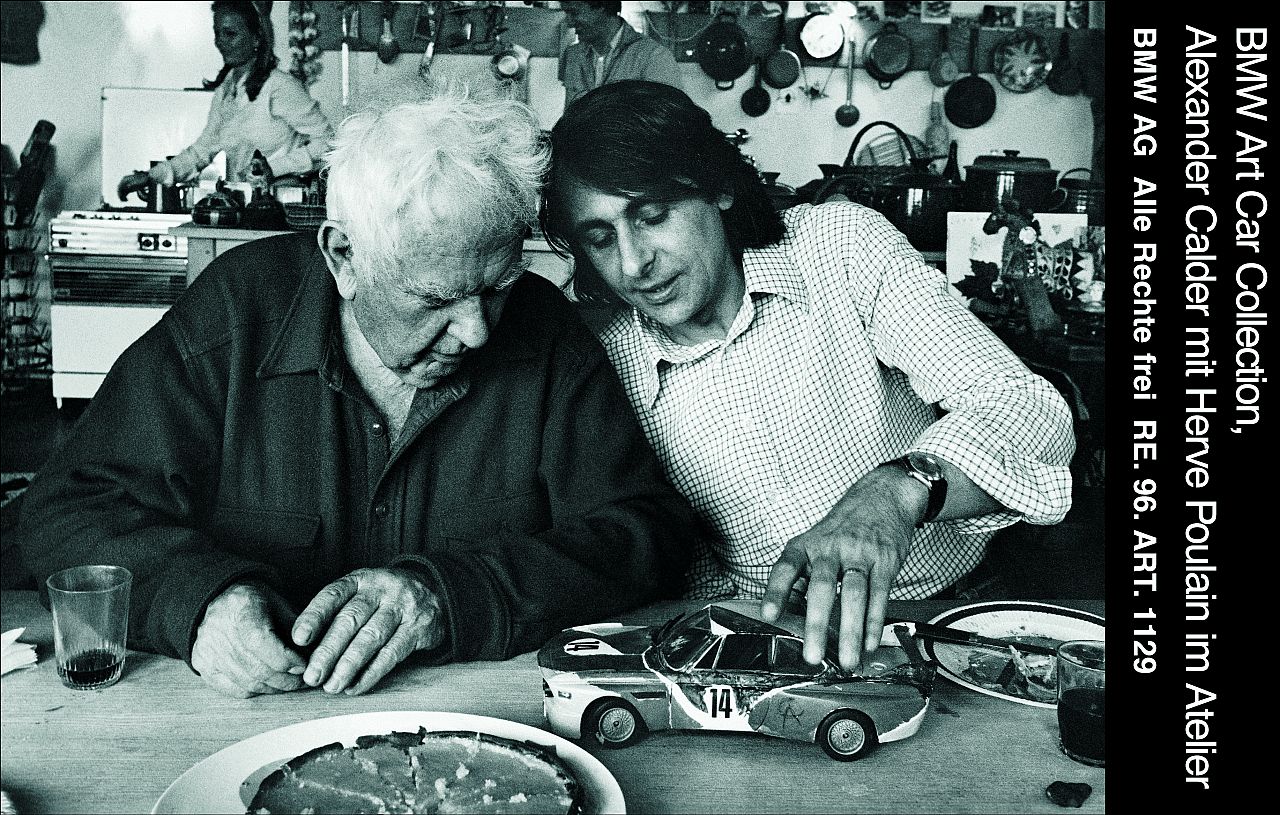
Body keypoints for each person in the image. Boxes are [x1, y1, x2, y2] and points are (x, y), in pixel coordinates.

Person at [19, 84, 696, 699]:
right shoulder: (234, 317)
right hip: (237, 723)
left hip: (477, 720)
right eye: (437, 299)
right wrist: (200, 599)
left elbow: (645, 533)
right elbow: (66, 511)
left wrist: (449, 594)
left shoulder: (544, 330)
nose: (478, 331)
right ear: (343, 256)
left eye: (496, 287)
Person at [541, 81, 1075, 672]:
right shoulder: (603, 359)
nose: (634, 262)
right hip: (755, 647)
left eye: (652, 216)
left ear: (716, 186)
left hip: (945, 617)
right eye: (599, 238)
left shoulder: (838, 248)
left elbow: (1026, 406)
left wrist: (896, 492)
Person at [117, 0, 332, 198]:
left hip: (284, 208)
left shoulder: (279, 86)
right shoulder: (226, 91)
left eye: (230, 33)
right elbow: (201, 151)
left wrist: (274, 168)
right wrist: (152, 176)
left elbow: (328, 144)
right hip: (247, 206)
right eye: (217, 33)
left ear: (256, 38)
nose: (220, 42)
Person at [559, 2, 682, 108]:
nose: (568, 22)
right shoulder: (573, 55)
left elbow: (666, 125)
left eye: (574, 12)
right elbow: (569, 117)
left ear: (602, 7)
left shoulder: (654, 57)